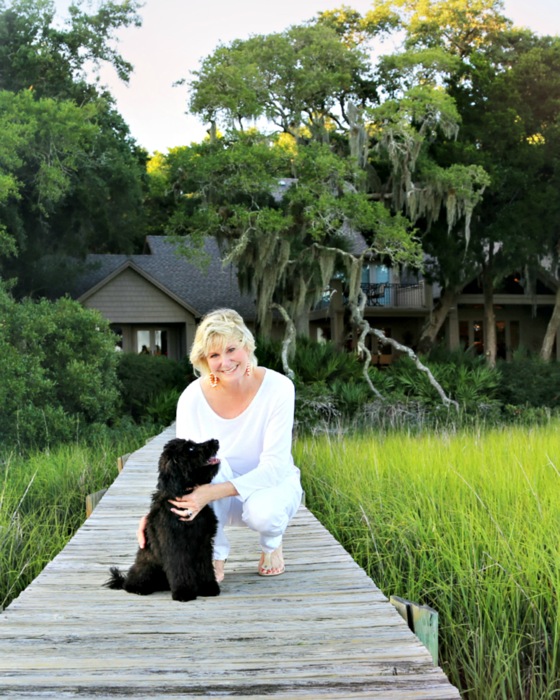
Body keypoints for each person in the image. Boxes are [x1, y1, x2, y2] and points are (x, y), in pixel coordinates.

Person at [137, 308, 303, 581]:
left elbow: (274, 467)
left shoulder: (279, 388)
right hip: (216, 494)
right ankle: (215, 553)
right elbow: (184, 467)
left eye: (231, 349)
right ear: (204, 360)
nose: (224, 362)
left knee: (265, 514)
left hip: (269, 488)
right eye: (214, 355)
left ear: (247, 346)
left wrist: (210, 494)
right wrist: (155, 515)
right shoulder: (192, 397)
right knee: (215, 466)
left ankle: (271, 544)